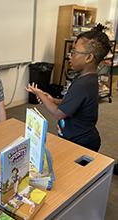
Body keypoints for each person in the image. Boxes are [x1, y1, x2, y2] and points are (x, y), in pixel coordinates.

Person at [25, 24, 111, 152]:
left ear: (88, 57)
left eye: (74, 52)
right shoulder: (87, 79)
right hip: (76, 137)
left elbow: (58, 114)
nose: (69, 55)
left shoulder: (82, 85)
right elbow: (73, 103)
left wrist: (41, 94)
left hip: (81, 142)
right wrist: (52, 100)